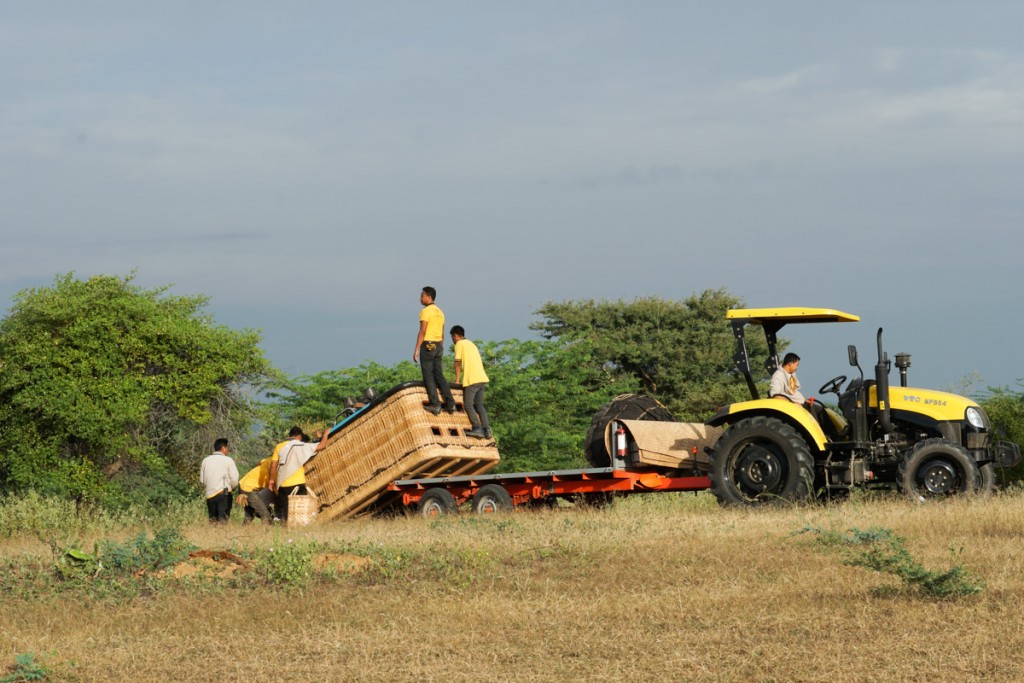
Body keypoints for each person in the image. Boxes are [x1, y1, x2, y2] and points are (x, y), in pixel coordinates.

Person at [268, 426, 330, 522]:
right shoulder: (300, 446)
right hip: (298, 483)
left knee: (284, 511)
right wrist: (325, 434)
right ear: (299, 436)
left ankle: (283, 528)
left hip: (283, 484)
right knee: (300, 510)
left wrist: (271, 480)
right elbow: (321, 446)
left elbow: (273, 465)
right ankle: (297, 528)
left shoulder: (279, 446)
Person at [413, 286, 456, 415]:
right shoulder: (440, 312)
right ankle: (451, 403)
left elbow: (423, 331)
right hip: (438, 345)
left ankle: (435, 404)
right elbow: (442, 333)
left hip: (428, 344)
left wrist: (416, 349)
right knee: (439, 374)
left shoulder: (426, 311)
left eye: (422, 296)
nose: (420, 298)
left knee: (428, 375)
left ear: (429, 297)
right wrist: (440, 346)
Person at [451, 325, 491, 439]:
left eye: (452, 337)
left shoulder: (459, 344)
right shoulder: (471, 344)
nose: (453, 340)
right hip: (482, 378)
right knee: (479, 405)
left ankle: (477, 428)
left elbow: (457, 363)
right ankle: (486, 430)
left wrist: (457, 380)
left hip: (472, 379)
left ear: (455, 336)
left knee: (468, 404)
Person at [769, 352, 826, 423]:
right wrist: (793, 403)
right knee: (815, 420)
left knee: (822, 411)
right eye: (797, 365)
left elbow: (792, 392)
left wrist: (804, 399)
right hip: (794, 406)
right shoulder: (778, 376)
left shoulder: (791, 374)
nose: (797, 367)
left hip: (800, 402)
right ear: (790, 364)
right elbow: (775, 395)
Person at [200, 438, 239, 523]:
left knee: (213, 520)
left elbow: (202, 480)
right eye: (227, 448)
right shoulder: (228, 460)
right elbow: (235, 479)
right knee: (223, 520)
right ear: (223, 448)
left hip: (209, 495)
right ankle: (222, 536)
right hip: (223, 493)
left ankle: (212, 536)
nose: (227, 450)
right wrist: (231, 487)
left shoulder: (205, 460)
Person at [237, 457, 274, 525]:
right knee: (265, 514)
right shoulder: (275, 465)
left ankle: (244, 531)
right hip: (249, 488)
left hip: (243, 484)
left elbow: (260, 462)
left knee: (249, 514)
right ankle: (267, 533)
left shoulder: (269, 460)